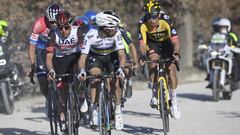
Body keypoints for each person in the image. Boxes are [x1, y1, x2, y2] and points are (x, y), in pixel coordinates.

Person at [78, 10, 126, 130]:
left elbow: (121, 54)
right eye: (113, 28)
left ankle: (118, 111)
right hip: (96, 57)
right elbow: (82, 58)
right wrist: (82, 70)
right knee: (94, 77)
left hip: (112, 56)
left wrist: (121, 68)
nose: (115, 30)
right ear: (105, 28)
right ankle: (94, 108)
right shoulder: (90, 34)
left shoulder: (117, 33)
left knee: (116, 81)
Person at [138, 1, 181, 119]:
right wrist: (142, 55)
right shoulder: (142, 24)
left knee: (171, 70)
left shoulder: (166, 20)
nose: (151, 19)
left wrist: (176, 53)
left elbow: (176, 40)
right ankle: (154, 93)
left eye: (154, 16)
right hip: (153, 44)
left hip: (167, 43)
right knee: (152, 61)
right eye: (148, 16)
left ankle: (174, 102)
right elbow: (142, 44)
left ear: (158, 14)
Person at [46, 10, 87, 123]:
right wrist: (51, 70)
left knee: (78, 73)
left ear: (71, 25)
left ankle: (81, 95)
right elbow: (49, 57)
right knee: (61, 90)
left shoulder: (77, 31)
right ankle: (62, 114)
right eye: (60, 28)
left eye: (66, 27)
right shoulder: (53, 34)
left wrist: (83, 68)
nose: (63, 31)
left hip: (76, 57)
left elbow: (85, 51)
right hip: (60, 60)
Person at [28, 4, 62, 101]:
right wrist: (32, 65)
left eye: (56, 21)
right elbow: (31, 47)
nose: (54, 24)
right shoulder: (39, 24)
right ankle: (48, 99)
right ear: (46, 18)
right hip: (41, 49)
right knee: (42, 78)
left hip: (56, 48)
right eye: (51, 22)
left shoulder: (63, 22)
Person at [218, 18, 240, 90]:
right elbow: (211, 42)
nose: (223, 29)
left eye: (225, 27)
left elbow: (237, 43)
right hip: (219, 54)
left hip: (229, 55)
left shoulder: (232, 35)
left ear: (228, 27)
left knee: (234, 64)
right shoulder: (217, 35)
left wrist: (236, 46)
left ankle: (234, 82)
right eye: (221, 27)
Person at [119, 23, 138, 98]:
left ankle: (129, 80)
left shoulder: (126, 34)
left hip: (124, 53)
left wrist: (134, 60)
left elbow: (131, 45)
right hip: (114, 53)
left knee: (127, 70)